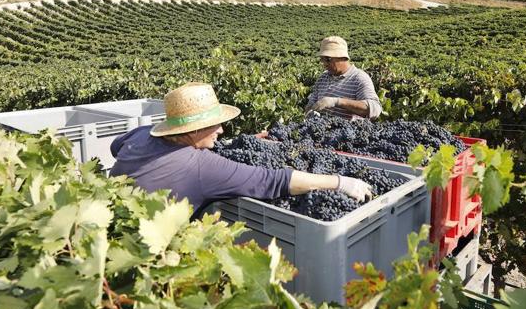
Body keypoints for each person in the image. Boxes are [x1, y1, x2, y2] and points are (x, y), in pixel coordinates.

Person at [109, 82, 373, 218]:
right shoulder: (201, 167)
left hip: (118, 215)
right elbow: (275, 180)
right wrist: (340, 182)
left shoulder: (141, 135)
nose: (221, 131)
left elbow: (115, 147)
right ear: (191, 130)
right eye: (214, 126)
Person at [306, 36, 382, 120]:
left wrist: (338, 102)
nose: (324, 64)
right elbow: (311, 104)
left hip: (348, 131)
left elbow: (375, 109)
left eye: (328, 59)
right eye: (322, 59)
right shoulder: (322, 78)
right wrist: (310, 110)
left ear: (343, 57)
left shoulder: (359, 78)